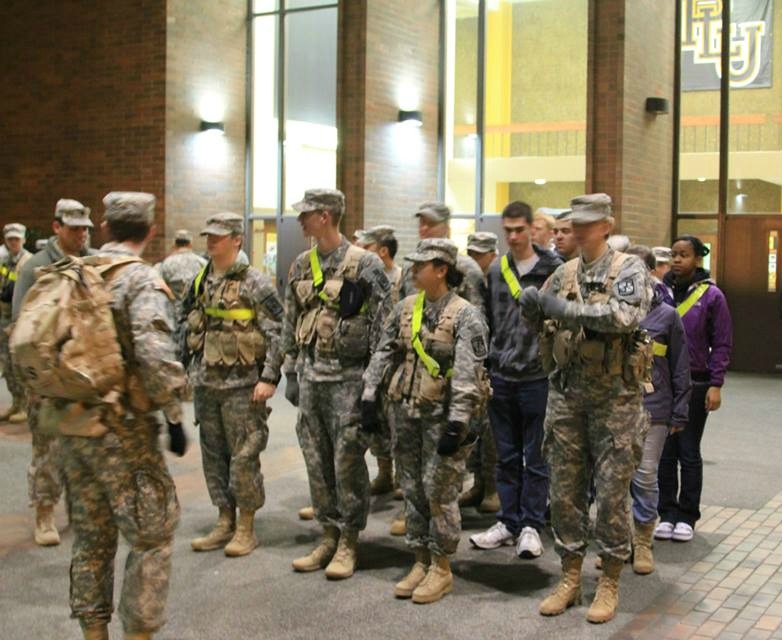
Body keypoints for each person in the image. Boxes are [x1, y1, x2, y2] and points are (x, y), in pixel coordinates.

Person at [520, 193, 652, 624]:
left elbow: (625, 317)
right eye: (573, 222)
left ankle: (609, 580)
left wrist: (568, 309)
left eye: (586, 223)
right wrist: (532, 311)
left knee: (612, 496)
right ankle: (570, 576)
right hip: (566, 398)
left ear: (606, 227)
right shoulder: (561, 273)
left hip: (615, 402)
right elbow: (545, 318)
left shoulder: (628, 268)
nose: (576, 229)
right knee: (565, 493)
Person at [61, 191, 187, 640]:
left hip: (73, 427)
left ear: (106, 229)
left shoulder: (74, 273)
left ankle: (93, 634)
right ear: (151, 232)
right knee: (152, 535)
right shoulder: (139, 280)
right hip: (124, 434)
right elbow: (154, 357)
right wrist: (173, 414)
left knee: (92, 538)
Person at [362, 238, 490, 604]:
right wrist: (369, 394)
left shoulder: (466, 315)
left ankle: (441, 566)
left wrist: (458, 422)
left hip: (442, 419)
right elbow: (383, 352)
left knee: (441, 491)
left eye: (422, 264)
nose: (414, 270)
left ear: (442, 269)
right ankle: (419, 558)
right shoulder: (404, 309)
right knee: (413, 486)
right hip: (406, 412)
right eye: (414, 264)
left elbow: (468, 372)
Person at [278, 188, 392, 580]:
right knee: (316, 461)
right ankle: (327, 533)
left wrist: (373, 389)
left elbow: (385, 332)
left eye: (306, 214)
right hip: (311, 382)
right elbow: (290, 324)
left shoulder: (366, 265)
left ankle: (348, 540)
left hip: (349, 383)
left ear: (325, 216)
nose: (300, 221)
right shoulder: (300, 266)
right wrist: (288, 372)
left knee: (347, 465)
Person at [183, 212, 283, 557]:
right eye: (208, 235)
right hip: (207, 382)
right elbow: (187, 327)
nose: (211, 241)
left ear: (237, 239)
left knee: (243, 456)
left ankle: (246, 526)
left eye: (219, 236)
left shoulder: (255, 282)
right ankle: (223, 519)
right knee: (214, 456)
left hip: (243, 385)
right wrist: (185, 368)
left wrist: (270, 376)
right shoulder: (200, 281)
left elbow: (276, 331)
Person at [469, 201, 561, 559]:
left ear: (531, 228)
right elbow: (489, 319)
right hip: (502, 376)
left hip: (538, 376)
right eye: (507, 230)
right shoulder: (496, 270)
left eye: (520, 229)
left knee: (536, 458)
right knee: (505, 457)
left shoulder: (553, 268)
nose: (513, 236)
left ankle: (531, 526)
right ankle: (508, 521)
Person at [12, 199, 95, 547]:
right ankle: (45, 512)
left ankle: (79, 509)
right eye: (74, 228)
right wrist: (31, 380)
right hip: (46, 375)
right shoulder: (35, 267)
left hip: (83, 372)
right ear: (56, 227)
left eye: (85, 228)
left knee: (82, 445)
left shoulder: (92, 261)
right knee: (46, 448)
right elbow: (19, 326)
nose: (81, 234)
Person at [656, 235, 732, 543]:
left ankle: (687, 515)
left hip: (697, 381)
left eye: (683, 255)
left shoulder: (712, 296)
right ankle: (666, 512)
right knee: (663, 452)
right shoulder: (659, 293)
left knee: (688, 450)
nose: (677, 260)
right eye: (673, 254)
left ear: (697, 259)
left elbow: (723, 342)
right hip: (662, 382)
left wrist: (716, 383)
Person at [623, 245, 691, 574]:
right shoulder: (614, 312)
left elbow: (680, 367)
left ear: (652, 273)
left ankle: (643, 543)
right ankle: (618, 542)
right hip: (617, 408)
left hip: (654, 408)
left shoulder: (667, 315)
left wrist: (680, 411)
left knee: (646, 476)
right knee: (615, 480)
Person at [361, 225, 405, 522]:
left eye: (367, 247)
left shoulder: (403, 278)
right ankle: (384, 473)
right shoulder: (364, 278)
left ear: (382, 251)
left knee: (398, 422)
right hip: (370, 359)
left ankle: (403, 479)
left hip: (396, 362)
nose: (361, 252)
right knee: (375, 419)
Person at [0, 223, 32, 423]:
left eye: (17, 239)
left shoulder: (28, 262)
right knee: (7, 364)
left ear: (23, 240)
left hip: (20, 320)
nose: (13, 242)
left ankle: (26, 406)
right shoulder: (5, 261)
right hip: (4, 317)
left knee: (21, 364)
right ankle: (16, 402)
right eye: (10, 239)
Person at [157, 229, 206, 317]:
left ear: (175, 245)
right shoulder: (202, 263)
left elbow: (160, 288)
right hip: (196, 314)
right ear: (190, 244)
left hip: (174, 314)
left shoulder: (166, 264)